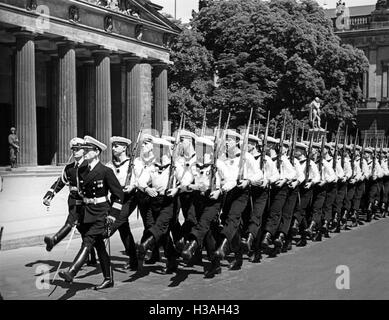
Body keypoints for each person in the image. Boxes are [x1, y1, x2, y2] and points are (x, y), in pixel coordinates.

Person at [59, 136, 124, 290]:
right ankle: (108, 279)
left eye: (88, 150)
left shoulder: (105, 171)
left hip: (101, 212)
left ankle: (72, 271)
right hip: (87, 213)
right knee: (99, 247)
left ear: (96, 152)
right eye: (85, 150)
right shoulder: (82, 170)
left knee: (88, 241)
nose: (85, 152)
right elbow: (80, 193)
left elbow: (119, 195)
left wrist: (112, 215)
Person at [105, 136, 139, 271]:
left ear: (124, 148)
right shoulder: (109, 165)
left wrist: (132, 186)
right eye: (113, 146)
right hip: (115, 198)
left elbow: (140, 178)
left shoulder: (133, 163)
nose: (113, 148)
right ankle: (134, 260)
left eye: (116, 146)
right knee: (124, 229)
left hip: (129, 198)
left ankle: (96, 243)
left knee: (116, 222)